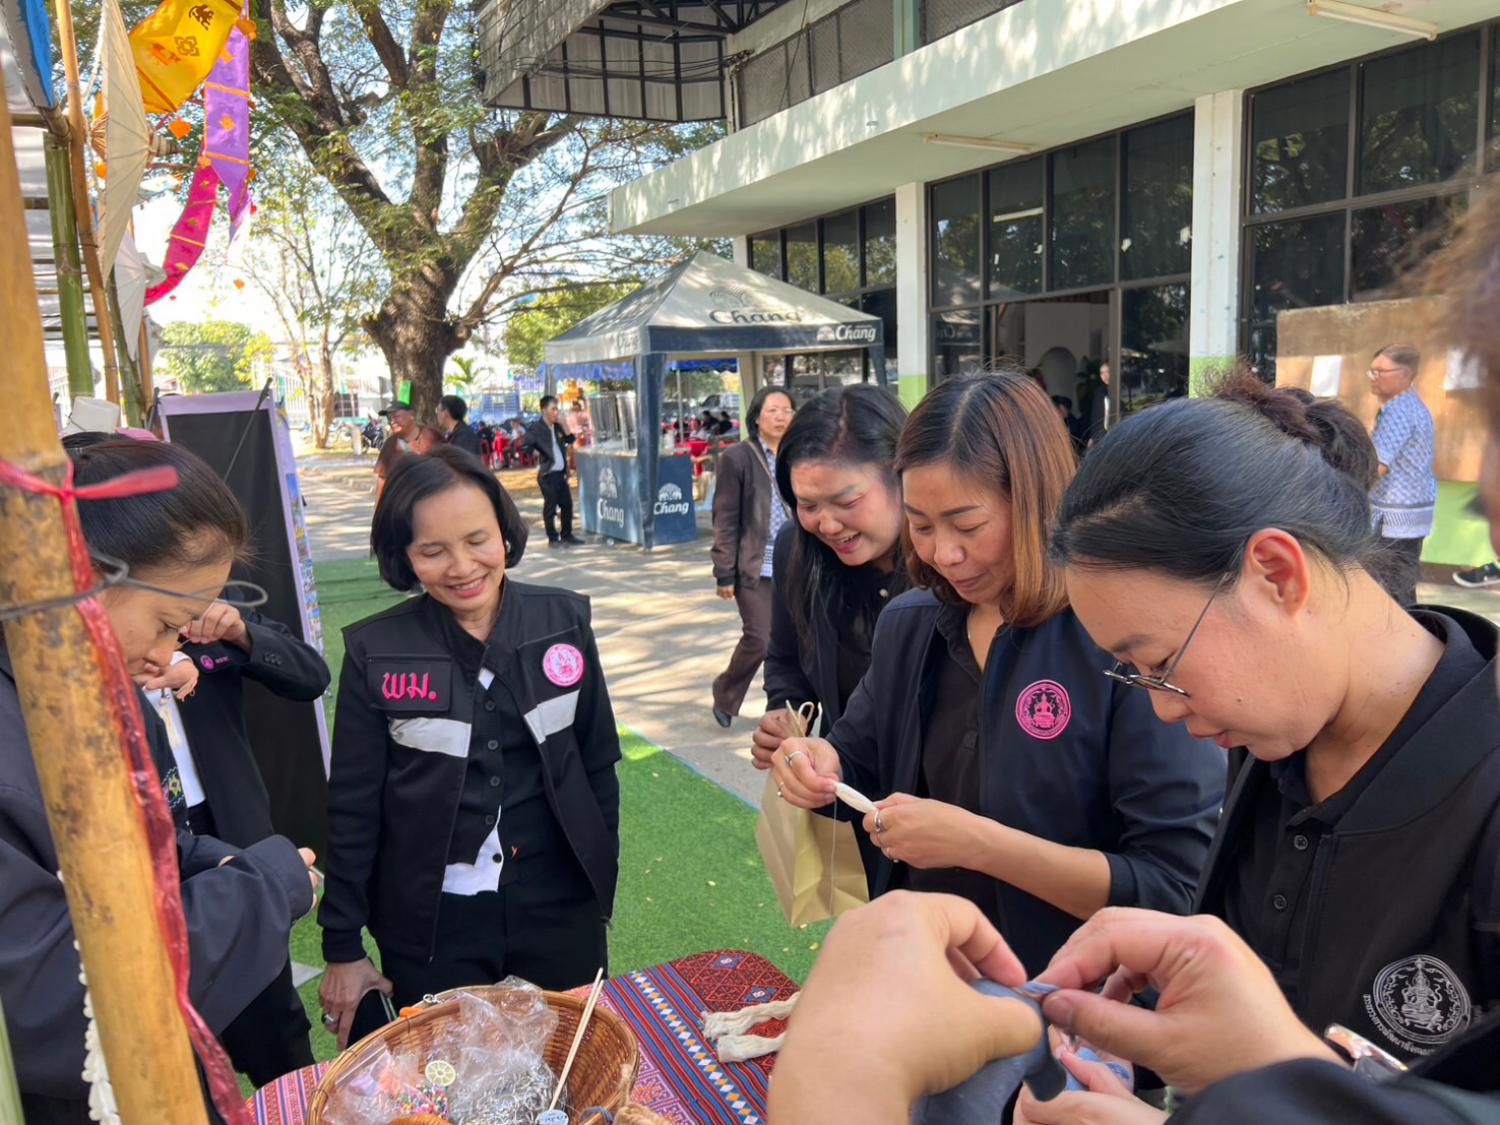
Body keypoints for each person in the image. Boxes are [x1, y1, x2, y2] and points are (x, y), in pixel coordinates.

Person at [1050, 370, 1500, 1065]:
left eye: (1161, 662)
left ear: (1277, 574)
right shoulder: (1275, 740)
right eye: (1133, 674)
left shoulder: (1482, 797)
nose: (1163, 706)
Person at [772, 371, 1223, 975]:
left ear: (1036, 503)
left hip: (1076, 995)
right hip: (924, 975)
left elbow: (1173, 886)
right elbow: (857, 762)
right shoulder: (911, 624)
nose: (943, 554)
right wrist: (817, 766)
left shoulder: (1119, 642)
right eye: (921, 525)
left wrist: (980, 845)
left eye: (968, 525)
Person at [1, 439, 317, 1122]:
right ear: (83, 576)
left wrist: (208, 860)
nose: (168, 654)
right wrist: (263, 885)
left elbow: (145, 847)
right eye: (168, 624)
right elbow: (56, 1001)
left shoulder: (96, 694)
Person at [317, 447, 619, 1047]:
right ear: (404, 556)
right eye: (432, 551)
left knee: (573, 1060)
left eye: (478, 540)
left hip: (560, 907)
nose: (462, 567)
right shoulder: (378, 653)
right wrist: (342, 945)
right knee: (444, 1074)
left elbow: (597, 764)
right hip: (432, 925)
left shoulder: (562, 622)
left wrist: (597, 874)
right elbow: (353, 806)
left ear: (504, 532)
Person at [151, 603, 331, 1086]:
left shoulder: (206, 600)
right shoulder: (89, 624)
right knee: (167, 1038)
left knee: (272, 1019)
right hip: (140, 841)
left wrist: (240, 632)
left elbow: (311, 675)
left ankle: (297, 1103)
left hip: (231, 823)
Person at [710, 386, 797, 728]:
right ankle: (726, 693)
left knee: (796, 640)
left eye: (787, 410)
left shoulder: (799, 452)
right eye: (772, 410)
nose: (780, 417)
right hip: (754, 564)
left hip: (795, 562)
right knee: (760, 637)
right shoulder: (738, 458)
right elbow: (725, 517)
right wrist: (724, 572)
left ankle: (786, 705)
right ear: (756, 417)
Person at [1367, 344, 1436, 605]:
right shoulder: (1413, 405)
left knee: (1388, 587)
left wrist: (1350, 491)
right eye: (1372, 371)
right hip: (1412, 512)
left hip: (1394, 514)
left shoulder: (1398, 411)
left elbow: (1378, 466)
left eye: (1381, 372)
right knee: (1400, 587)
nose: (1373, 378)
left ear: (1406, 374)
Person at [521, 395, 579, 547]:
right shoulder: (536, 428)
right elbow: (524, 446)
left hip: (560, 474)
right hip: (547, 474)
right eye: (553, 409)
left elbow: (570, 440)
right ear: (544, 410)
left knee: (567, 505)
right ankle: (552, 538)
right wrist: (537, 452)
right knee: (551, 506)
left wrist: (565, 424)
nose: (556, 412)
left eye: (556, 409)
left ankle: (567, 534)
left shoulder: (557, 426)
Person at [374, 400, 418, 497]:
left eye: (396, 416)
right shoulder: (389, 444)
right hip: (401, 501)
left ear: (411, 415)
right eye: (389, 418)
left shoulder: (431, 437)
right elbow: (382, 479)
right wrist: (379, 505)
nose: (392, 422)